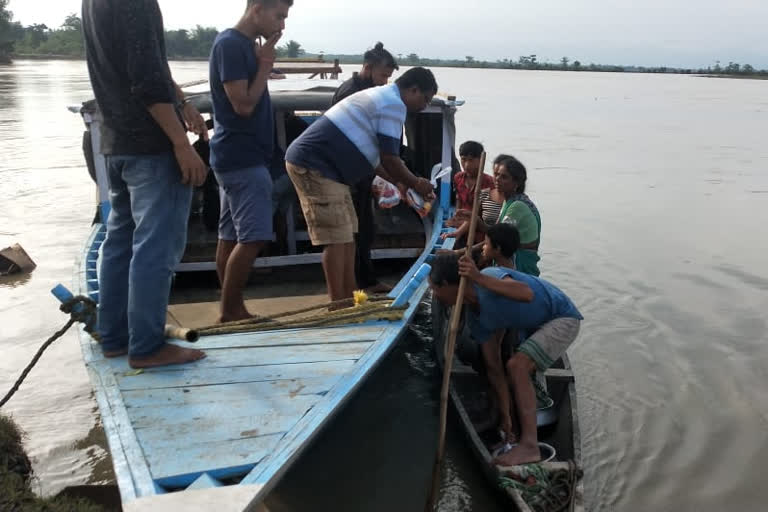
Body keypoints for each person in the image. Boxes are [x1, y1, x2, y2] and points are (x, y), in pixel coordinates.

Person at [82, 0, 208, 368]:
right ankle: (148, 346)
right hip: (151, 146)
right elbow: (146, 79)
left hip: (115, 143)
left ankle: (115, 337)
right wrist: (181, 144)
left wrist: (182, 100)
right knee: (157, 246)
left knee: (120, 240)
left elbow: (143, 64)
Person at [285, 67, 438, 303]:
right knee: (336, 239)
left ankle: (350, 299)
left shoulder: (385, 97)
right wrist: (417, 183)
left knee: (347, 237)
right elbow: (391, 158)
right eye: (425, 99)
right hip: (315, 166)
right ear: (413, 89)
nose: (424, 106)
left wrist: (400, 183)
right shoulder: (393, 104)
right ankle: (339, 307)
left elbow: (376, 160)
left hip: (332, 172)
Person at [429, 246, 583, 466]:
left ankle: (530, 447)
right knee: (507, 368)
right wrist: (506, 417)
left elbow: (525, 293)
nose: (435, 296)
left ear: (446, 285)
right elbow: (493, 368)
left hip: (562, 319)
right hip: (533, 329)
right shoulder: (476, 317)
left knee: (517, 366)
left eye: (434, 289)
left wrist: (478, 276)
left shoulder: (490, 277)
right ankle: (514, 432)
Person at [209, 0, 292, 322]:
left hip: (237, 156)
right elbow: (242, 105)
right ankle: (231, 310)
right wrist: (265, 66)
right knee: (254, 236)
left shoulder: (240, 45)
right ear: (257, 8)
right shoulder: (231, 45)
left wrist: (261, 61)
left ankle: (229, 305)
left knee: (230, 235)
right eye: (279, 15)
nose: (282, 25)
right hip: (242, 158)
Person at [332, 42, 399, 294]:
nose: (384, 82)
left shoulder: (371, 92)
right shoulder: (349, 93)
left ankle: (364, 282)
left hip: (362, 172)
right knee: (351, 233)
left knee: (365, 231)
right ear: (368, 68)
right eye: (383, 76)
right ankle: (356, 285)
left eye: (388, 78)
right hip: (346, 174)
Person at [448, 155, 542, 275]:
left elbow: (497, 238)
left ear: (516, 182)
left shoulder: (517, 206)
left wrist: (458, 252)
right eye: (496, 174)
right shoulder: (510, 201)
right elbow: (496, 231)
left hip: (520, 264)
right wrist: (474, 219)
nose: (497, 179)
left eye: (504, 177)